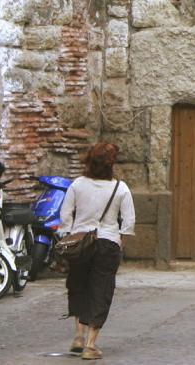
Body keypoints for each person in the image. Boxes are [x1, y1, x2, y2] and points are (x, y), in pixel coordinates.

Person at [60, 142, 136, 360]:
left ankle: (78, 335)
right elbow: (129, 222)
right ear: (111, 165)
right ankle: (91, 345)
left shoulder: (77, 185)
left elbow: (65, 215)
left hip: (80, 241)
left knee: (78, 285)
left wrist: (68, 235)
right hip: (107, 242)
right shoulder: (120, 188)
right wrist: (120, 241)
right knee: (101, 290)